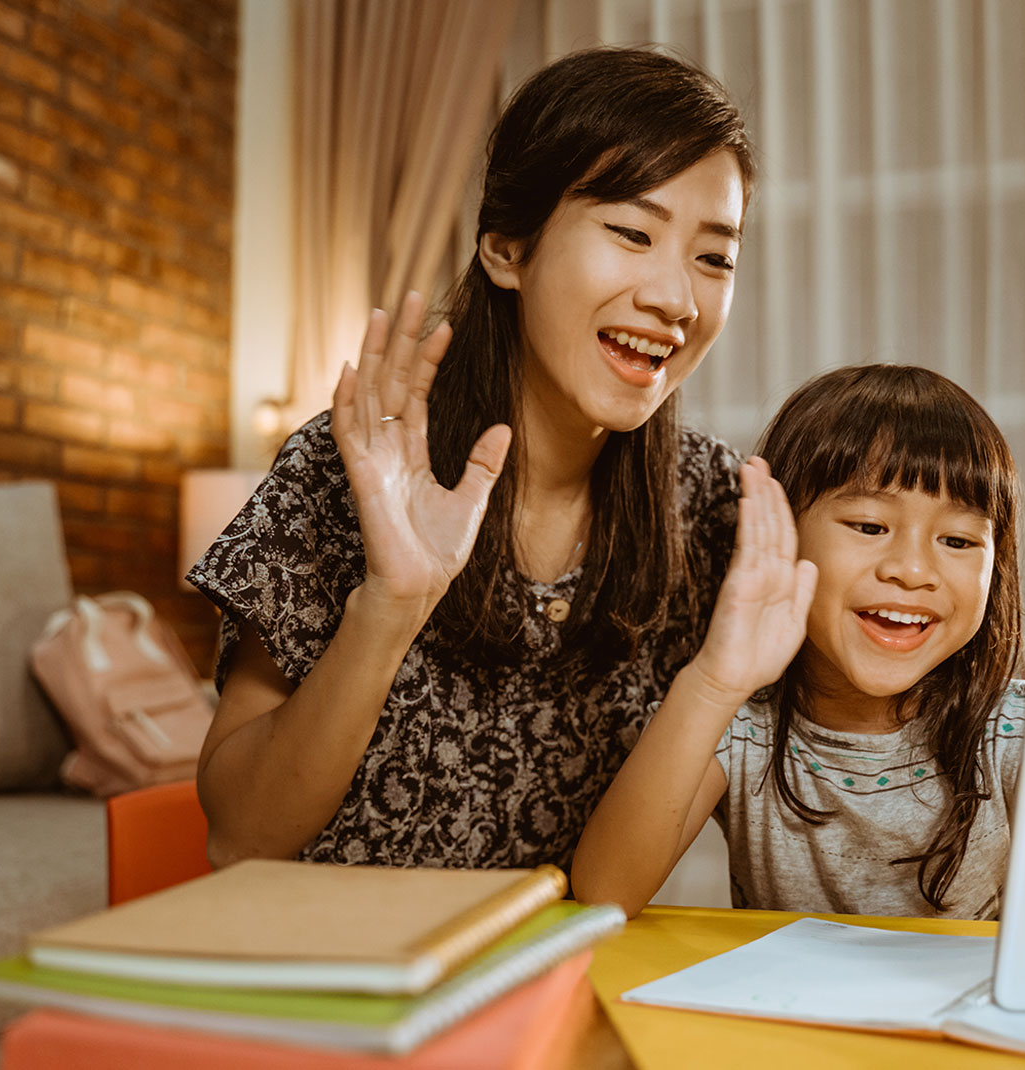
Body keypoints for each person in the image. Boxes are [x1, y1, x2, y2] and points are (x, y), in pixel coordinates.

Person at [188, 47, 753, 871]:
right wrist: (392, 603)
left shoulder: (713, 510)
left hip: (544, 976)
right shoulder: (354, 465)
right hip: (334, 972)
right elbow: (241, 835)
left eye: (715, 257)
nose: (677, 300)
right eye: (634, 232)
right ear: (506, 250)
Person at [571, 364, 1025, 993]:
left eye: (959, 541)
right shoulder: (740, 724)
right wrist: (714, 679)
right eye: (869, 526)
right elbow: (605, 891)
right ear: (779, 539)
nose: (913, 570)